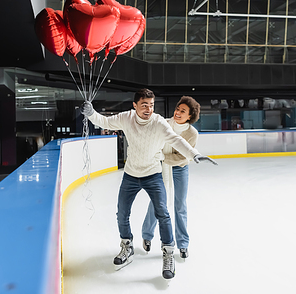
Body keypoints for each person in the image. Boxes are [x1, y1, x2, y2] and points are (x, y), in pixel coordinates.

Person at [81, 88, 217, 280]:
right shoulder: (126, 118)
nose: (148, 109)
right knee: (122, 213)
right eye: (144, 105)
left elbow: (177, 140)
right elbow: (104, 121)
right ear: (135, 105)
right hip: (130, 174)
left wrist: (194, 154)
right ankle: (127, 246)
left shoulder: (159, 123)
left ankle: (168, 253)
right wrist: (91, 113)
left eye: (151, 105)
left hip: (153, 174)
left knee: (162, 213)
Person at [141, 96, 201, 260]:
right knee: (158, 202)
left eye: (183, 111)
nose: (178, 113)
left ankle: (183, 244)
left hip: (180, 169)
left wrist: (162, 156)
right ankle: (147, 235)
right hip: (160, 168)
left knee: (180, 205)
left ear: (190, 116)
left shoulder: (192, 133)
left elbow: (183, 157)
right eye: (177, 109)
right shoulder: (164, 124)